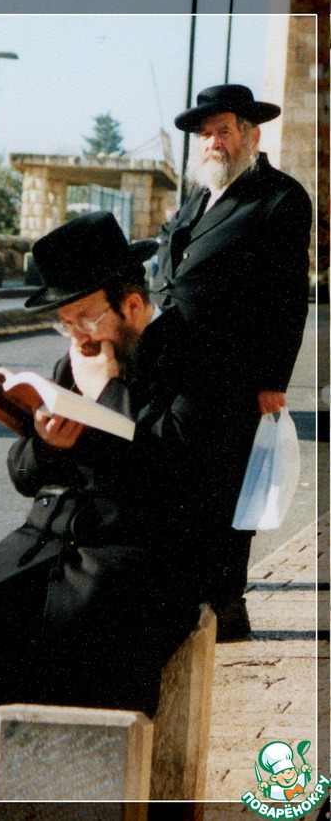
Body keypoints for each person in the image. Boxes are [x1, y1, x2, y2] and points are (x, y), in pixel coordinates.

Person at [0, 211, 201, 810]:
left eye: (86, 318)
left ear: (133, 305)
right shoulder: (75, 358)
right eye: (66, 323)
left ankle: (51, 795)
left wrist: (106, 391)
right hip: (53, 538)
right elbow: (23, 475)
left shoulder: (188, 354)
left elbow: (178, 472)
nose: (77, 335)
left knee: (38, 641)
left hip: (132, 549)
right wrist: (47, 445)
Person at [152, 83, 312, 640]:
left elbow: (289, 299)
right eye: (205, 134)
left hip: (231, 373)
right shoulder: (200, 193)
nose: (212, 142)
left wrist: (273, 380)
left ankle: (226, 612)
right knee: (180, 487)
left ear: (250, 134)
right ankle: (188, 603)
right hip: (173, 364)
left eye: (222, 130)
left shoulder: (280, 197)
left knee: (224, 493)